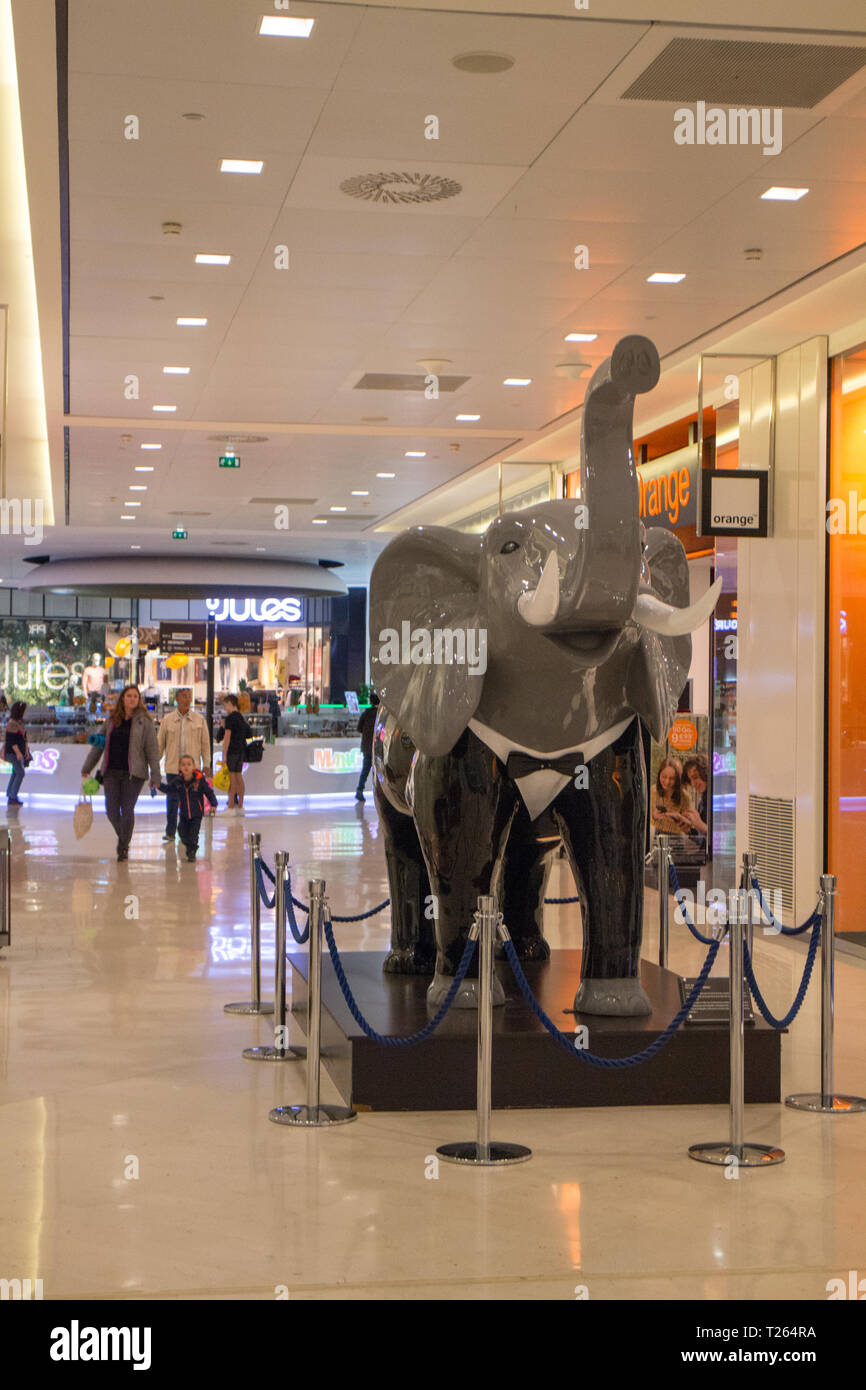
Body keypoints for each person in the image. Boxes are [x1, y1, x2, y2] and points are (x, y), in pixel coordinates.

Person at [81, 684, 161, 860]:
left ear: (138, 700)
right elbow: (98, 746)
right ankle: (124, 838)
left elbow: (152, 750)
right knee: (111, 811)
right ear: (123, 699)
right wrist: (87, 767)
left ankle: (123, 847)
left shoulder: (145, 722)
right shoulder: (111, 721)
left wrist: (156, 774)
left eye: (135, 696)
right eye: (129, 696)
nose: (132, 699)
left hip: (134, 774)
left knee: (127, 809)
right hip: (111, 772)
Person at [157, 688, 211, 845]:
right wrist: (154, 765)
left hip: (193, 770)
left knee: (191, 802)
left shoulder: (199, 720)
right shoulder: (167, 720)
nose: (187, 700)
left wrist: (206, 764)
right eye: (184, 696)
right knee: (172, 799)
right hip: (173, 768)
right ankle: (170, 831)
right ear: (177, 699)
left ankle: (187, 831)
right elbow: (160, 745)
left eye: (189, 697)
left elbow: (205, 745)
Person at [175, 753, 217, 862]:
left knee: (194, 833)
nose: (186, 767)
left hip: (196, 813)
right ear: (180, 767)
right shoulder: (179, 781)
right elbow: (171, 790)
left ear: (193, 767)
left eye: (189, 764)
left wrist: (214, 803)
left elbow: (208, 792)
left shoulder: (199, 780)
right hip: (184, 813)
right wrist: (159, 786)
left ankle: (192, 851)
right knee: (182, 831)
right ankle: (189, 845)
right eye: (183, 764)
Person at [217, 694, 251, 812]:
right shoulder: (241, 718)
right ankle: (240, 805)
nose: (225, 708)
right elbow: (248, 733)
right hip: (241, 750)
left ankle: (231, 805)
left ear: (231, 704)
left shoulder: (230, 719)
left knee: (232, 778)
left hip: (232, 751)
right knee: (238, 776)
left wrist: (224, 754)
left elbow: (227, 737)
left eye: (226, 705)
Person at [650, 757, 693, 835]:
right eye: (664, 777)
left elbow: (689, 827)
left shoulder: (685, 797)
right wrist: (654, 816)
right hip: (654, 834)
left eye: (672, 778)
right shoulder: (652, 791)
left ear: (677, 779)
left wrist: (678, 819)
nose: (667, 782)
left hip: (676, 837)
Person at [4, 701, 31, 805]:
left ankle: (11, 794)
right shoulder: (12, 723)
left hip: (19, 752)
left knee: (16, 772)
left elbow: (24, 738)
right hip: (13, 753)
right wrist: (18, 752)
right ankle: (12, 796)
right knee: (20, 773)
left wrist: (26, 750)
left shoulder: (20, 723)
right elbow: (12, 741)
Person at [355, 691, 379, 802]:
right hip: (377, 747)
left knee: (365, 770)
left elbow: (359, 728)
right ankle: (379, 793)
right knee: (379, 771)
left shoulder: (366, 713)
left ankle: (359, 790)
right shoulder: (380, 714)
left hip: (366, 747)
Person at [681, 753, 709, 849]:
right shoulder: (702, 803)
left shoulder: (718, 799)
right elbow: (703, 840)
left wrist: (701, 825)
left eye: (696, 777)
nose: (693, 784)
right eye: (690, 780)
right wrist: (689, 831)